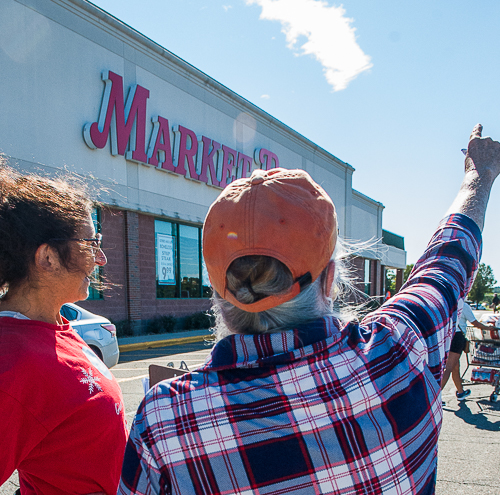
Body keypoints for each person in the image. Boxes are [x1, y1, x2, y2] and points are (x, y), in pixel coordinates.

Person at [119, 124, 500, 495]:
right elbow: (446, 263)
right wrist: (478, 176)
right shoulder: (399, 346)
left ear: (218, 292)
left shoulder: (167, 420)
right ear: (331, 279)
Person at [0, 161, 128, 494]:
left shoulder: (54, 325)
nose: (100, 259)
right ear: (47, 258)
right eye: (89, 244)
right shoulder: (12, 363)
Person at [441, 301, 494, 403]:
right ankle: (435, 397)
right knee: (448, 368)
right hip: (457, 337)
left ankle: (460, 392)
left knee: (455, 367)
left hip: (446, 336)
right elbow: (475, 323)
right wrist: (488, 328)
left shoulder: (447, 303)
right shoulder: (463, 306)